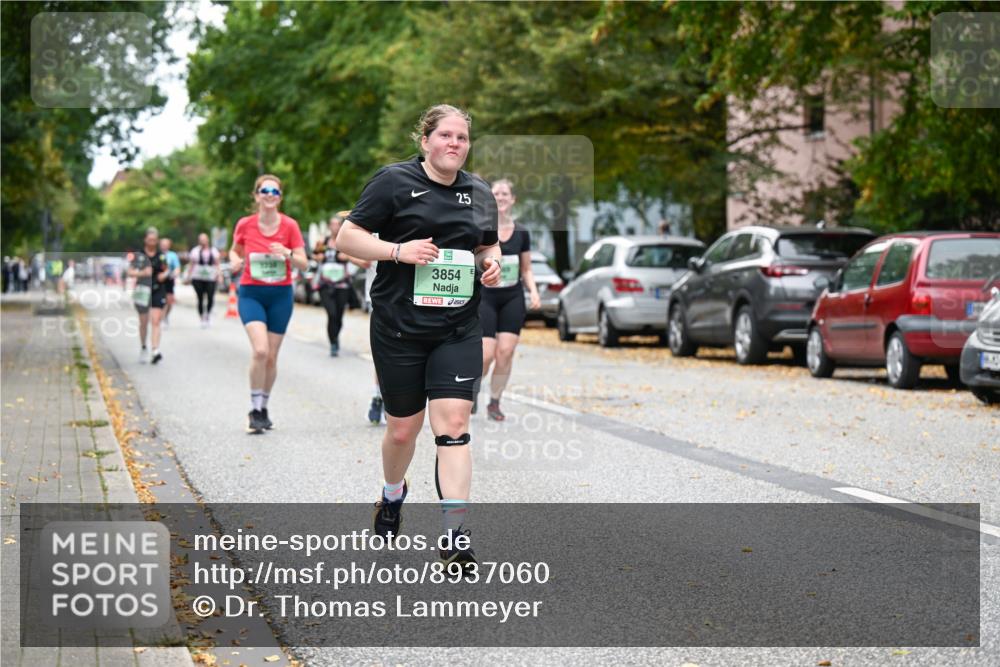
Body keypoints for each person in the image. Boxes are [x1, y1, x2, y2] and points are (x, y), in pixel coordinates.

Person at [336, 104, 501, 570]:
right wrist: (397, 250)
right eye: (446, 135)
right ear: (425, 140)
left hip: (458, 326)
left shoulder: (479, 191)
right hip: (399, 328)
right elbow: (348, 238)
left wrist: (491, 262)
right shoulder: (393, 182)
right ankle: (393, 494)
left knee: (453, 427)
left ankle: (455, 535)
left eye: (462, 138)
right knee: (403, 429)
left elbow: (488, 243)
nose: (454, 144)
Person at [229, 174, 307, 434]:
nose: (270, 194)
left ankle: (263, 407)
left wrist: (288, 254)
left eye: (275, 190)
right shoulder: (245, 224)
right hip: (251, 293)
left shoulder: (290, 226)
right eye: (265, 190)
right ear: (256, 195)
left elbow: (304, 262)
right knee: (260, 351)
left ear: (280, 196)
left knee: (272, 358)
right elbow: (234, 250)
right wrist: (233, 261)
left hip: (280, 295)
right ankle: (253, 409)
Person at [476, 179, 540, 421]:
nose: (501, 197)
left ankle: (494, 402)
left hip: (512, 296)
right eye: (496, 193)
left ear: (513, 199)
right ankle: (471, 389)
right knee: (486, 354)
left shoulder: (521, 232)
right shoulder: (482, 227)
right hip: (486, 296)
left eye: (505, 194)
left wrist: (533, 291)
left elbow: (526, 269)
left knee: (506, 352)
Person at [314, 213, 370, 356]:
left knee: (338, 316)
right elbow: (316, 256)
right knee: (331, 314)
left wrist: (359, 261)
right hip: (325, 284)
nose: (334, 227)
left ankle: (335, 337)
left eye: (337, 224)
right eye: (332, 224)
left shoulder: (345, 242)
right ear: (329, 226)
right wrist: (322, 255)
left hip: (342, 284)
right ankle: (333, 343)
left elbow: (353, 257)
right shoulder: (323, 242)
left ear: (341, 226)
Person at [128, 227, 170, 364]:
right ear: (145, 239)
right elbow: (130, 272)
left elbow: (166, 270)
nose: (152, 242)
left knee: (156, 320)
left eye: (154, 240)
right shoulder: (138, 255)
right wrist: (142, 273)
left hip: (158, 290)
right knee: (143, 322)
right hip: (142, 291)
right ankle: (143, 347)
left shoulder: (161, 256)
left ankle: (155, 350)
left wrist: (164, 275)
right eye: (150, 239)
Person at [187, 233, 221, 327]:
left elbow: (217, 264)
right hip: (198, 278)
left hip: (210, 277)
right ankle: (202, 317)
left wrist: (219, 275)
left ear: (208, 240)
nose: (203, 241)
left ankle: (208, 314)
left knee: (210, 297)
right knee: (200, 298)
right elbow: (191, 264)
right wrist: (188, 276)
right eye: (201, 239)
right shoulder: (195, 251)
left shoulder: (214, 251)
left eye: (204, 239)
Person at [159, 238, 181, 327]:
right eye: (162, 244)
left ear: (169, 245)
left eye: (166, 244)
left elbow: (177, 267)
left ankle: (166, 316)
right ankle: (162, 318)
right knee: (161, 301)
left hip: (169, 280)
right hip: (159, 280)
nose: (164, 246)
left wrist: (175, 273)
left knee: (169, 301)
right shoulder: (157, 254)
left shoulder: (172, 255)